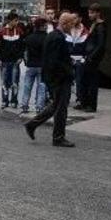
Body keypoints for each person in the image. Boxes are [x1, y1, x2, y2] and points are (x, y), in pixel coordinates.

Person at [25, 12, 77, 148]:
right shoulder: (57, 38)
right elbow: (54, 61)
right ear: (65, 23)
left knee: (56, 105)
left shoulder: (54, 36)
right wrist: (68, 70)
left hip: (56, 78)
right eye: (71, 24)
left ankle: (32, 124)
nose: (72, 27)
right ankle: (58, 137)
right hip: (59, 79)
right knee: (61, 108)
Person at [79, 3, 108, 112]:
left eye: (91, 13)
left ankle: (91, 105)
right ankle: (84, 102)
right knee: (84, 80)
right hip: (89, 55)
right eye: (89, 12)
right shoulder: (94, 24)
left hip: (93, 57)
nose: (89, 15)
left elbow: (100, 44)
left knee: (92, 81)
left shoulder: (101, 26)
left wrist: (92, 56)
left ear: (97, 13)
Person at [20, 17, 49, 114]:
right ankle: (39, 107)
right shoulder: (47, 38)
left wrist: (26, 61)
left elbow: (25, 52)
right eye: (45, 25)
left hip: (31, 65)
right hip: (42, 65)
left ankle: (24, 105)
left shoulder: (29, 37)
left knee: (27, 86)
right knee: (41, 87)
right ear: (43, 26)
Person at [0, 13, 24, 108]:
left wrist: (21, 57)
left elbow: (22, 46)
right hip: (4, 62)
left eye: (17, 20)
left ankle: (14, 101)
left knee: (15, 82)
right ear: (10, 20)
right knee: (4, 82)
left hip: (15, 62)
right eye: (15, 20)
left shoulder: (20, 31)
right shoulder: (2, 31)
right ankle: (4, 100)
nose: (17, 22)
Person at [67, 18, 89, 108]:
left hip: (80, 58)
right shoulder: (68, 30)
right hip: (69, 58)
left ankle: (80, 99)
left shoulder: (85, 32)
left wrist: (84, 57)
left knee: (79, 81)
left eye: (76, 18)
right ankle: (66, 99)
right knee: (67, 80)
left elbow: (87, 46)